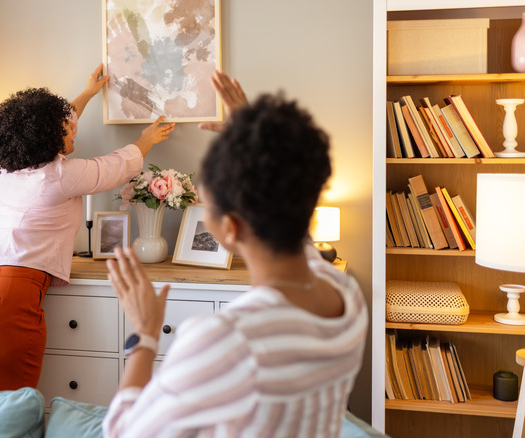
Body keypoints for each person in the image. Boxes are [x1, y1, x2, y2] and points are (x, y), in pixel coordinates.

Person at [103, 77, 368, 437]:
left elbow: (122, 433)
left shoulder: (229, 339)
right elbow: (292, 211)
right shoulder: (346, 294)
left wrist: (145, 336)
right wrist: (256, 139)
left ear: (230, 228)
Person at [0, 64, 175, 391]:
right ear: (49, 137)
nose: (73, 131)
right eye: (66, 129)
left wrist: (88, 93)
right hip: (2, 300)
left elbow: (60, 120)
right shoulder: (61, 176)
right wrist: (146, 139)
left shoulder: (9, 166)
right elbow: (115, 168)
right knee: (9, 414)